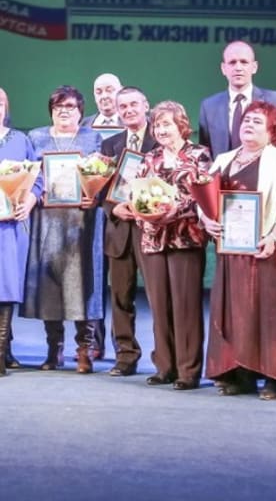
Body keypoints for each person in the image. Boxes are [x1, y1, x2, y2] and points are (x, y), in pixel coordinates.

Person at [201, 100, 276, 400]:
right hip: (233, 250)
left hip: (269, 248)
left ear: (272, 130)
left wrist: (275, 235)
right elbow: (204, 196)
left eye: (257, 121)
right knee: (237, 313)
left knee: (268, 312)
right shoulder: (224, 159)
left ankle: (274, 377)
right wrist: (206, 219)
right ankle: (239, 373)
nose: (248, 124)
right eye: (246, 119)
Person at [21, 86, 104, 373]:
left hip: (82, 223)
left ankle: (84, 351)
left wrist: (94, 196)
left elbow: (101, 176)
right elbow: (29, 176)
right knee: (50, 285)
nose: (64, 111)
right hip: (47, 221)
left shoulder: (93, 138)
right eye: (58, 107)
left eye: (70, 106)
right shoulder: (36, 137)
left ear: (80, 111)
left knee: (84, 284)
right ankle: (53, 350)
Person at [129, 101, 211, 391]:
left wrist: (176, 209)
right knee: (159, 305)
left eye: (167, 124)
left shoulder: (199, 155)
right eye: (157, 125)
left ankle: (188, 371)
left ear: (181, 125)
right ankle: (164, 366)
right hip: (153, 238)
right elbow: (135, 194)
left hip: (185, 238)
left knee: (185, 305)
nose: (161, 130)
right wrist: (141, 210)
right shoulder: (149, 158)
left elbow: (205, 196)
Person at [101, 86, 157, 376]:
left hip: (152, 231)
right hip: (120, 230)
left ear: (146, 105)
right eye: (123, 106)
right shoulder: (110, 145)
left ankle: (165, 358)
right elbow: (100, 188)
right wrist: (114, 209)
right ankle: (125, 356)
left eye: (134, 104)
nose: (129, 110)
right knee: (121, 297)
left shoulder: (160, 139)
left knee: (159, 297)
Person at [198, 40, 276, 166]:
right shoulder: (209, 106)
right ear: (223, 68)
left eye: (244, 62)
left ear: (254, 67)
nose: (238, 68)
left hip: (265, 176)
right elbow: (204, 154)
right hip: (222, 177)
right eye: (232, 62)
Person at [81, 72, 124, 360]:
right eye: (99, 91)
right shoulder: (84, 126)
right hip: (93, 213)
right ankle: (94, 342)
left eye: (110, 90)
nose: (105, 96)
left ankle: (123, 344)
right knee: (94, 280)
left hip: (123, 212)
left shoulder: (135, 123)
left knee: (121, 283)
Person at [0, 88, 40, 375]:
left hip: (9, 227)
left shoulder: (20, 140)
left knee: (6, 286)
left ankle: (1, 352)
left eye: (0, 103)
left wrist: (30, 201)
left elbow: (37, 179)